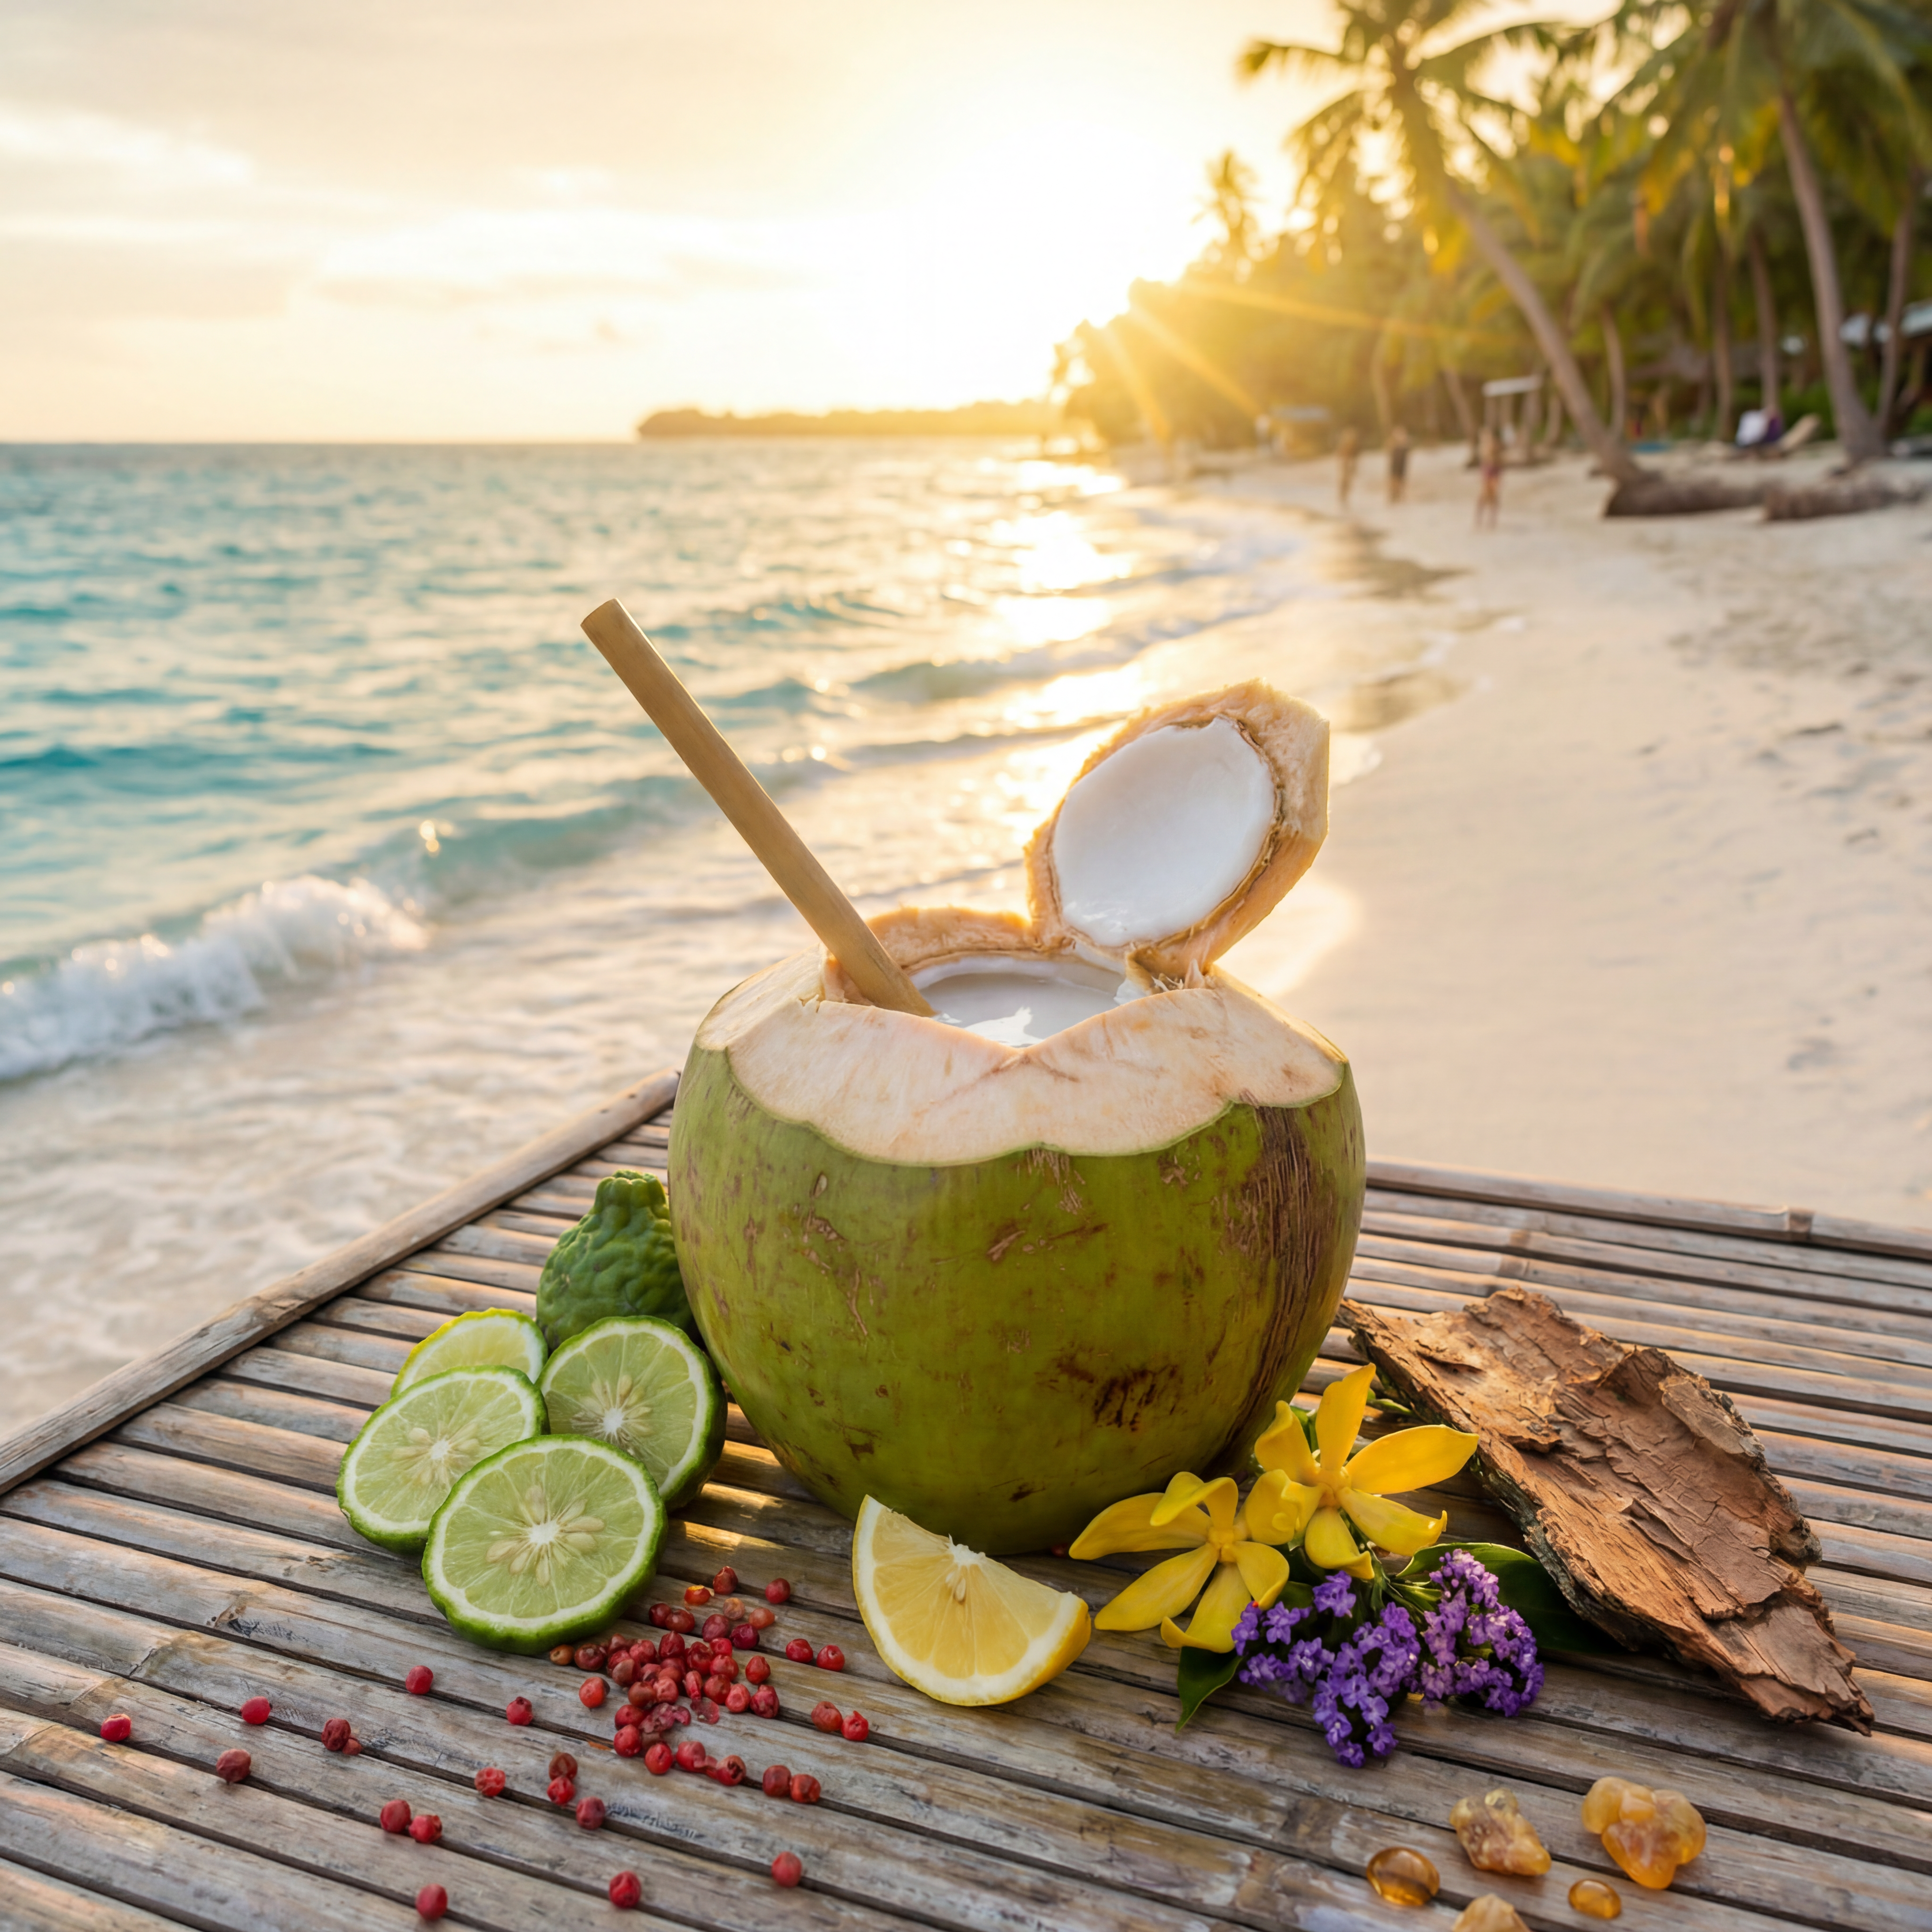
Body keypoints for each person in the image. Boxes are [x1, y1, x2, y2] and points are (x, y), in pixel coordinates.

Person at [1475, 427, 1502, 528]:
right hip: (1487, 473)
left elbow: (1498, 461)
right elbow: (1484, 463)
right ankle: (1480, 520)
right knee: (1484, 497)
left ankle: (1491, 520)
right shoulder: (1482, 448)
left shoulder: (1495, 445)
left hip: (1494, 472)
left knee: (1493, 497)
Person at [1336, 427, 1360, 509]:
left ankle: (1344, 497)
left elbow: (1356, 457)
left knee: (1348, 482)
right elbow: (1340, 455)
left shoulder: (1354, 446)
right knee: (1345, 481)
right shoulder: (1345, 445)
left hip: (1350, 465)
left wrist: (1355, 467)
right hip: (1346, 465)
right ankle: (1343, 497)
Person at [1386, 425, 1411, 503]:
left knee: (1399, 479)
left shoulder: (1404, 446)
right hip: (1396, 464)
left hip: (1400, 464)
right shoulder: (1396, 445)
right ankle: (1395, 495)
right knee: (1396, 479)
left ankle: (1398, 496)